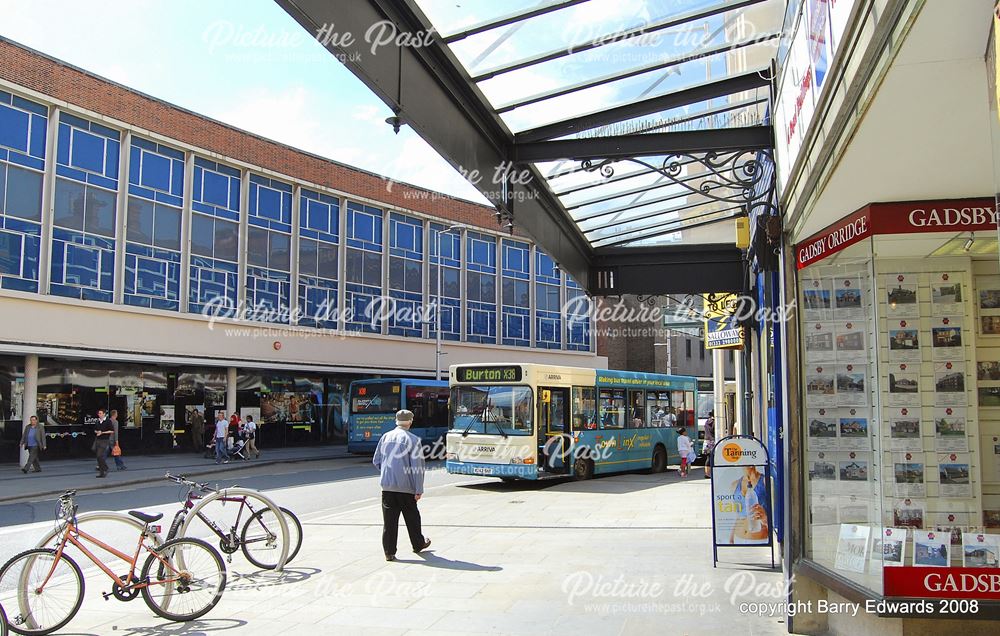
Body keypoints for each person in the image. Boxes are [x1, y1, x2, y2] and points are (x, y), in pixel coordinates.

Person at [373, 409, 431, 562]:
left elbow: (376, 460)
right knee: (412, 517)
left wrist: (387, 472)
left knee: (389, 521)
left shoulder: (385, 437)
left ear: (396, 421)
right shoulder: (413, 440)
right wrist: (418, 490)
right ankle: (418, 544)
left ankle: (389, 552)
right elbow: (417, 468)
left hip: (387, 487)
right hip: (406, 488)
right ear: (410, 422)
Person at [93, 409, 113, 478]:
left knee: (99, 455)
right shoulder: (98, 421)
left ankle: (106, 467)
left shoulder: (108, 421)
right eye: (98, 413)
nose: (99, 414)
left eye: (100, 413)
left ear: (104, 414)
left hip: (105, 440)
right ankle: (102, 473)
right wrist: (97, 432)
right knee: (99, 457)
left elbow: (111, 431)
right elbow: (95, 429)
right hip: (98, 440)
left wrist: (102, 432)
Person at [703, 411, 716, 479]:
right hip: (713, 441)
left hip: (706, 441)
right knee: (713, 457)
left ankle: (707, 473)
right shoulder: (715, 422)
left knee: (708, 457)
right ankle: (710, 473)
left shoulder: (707, 421)